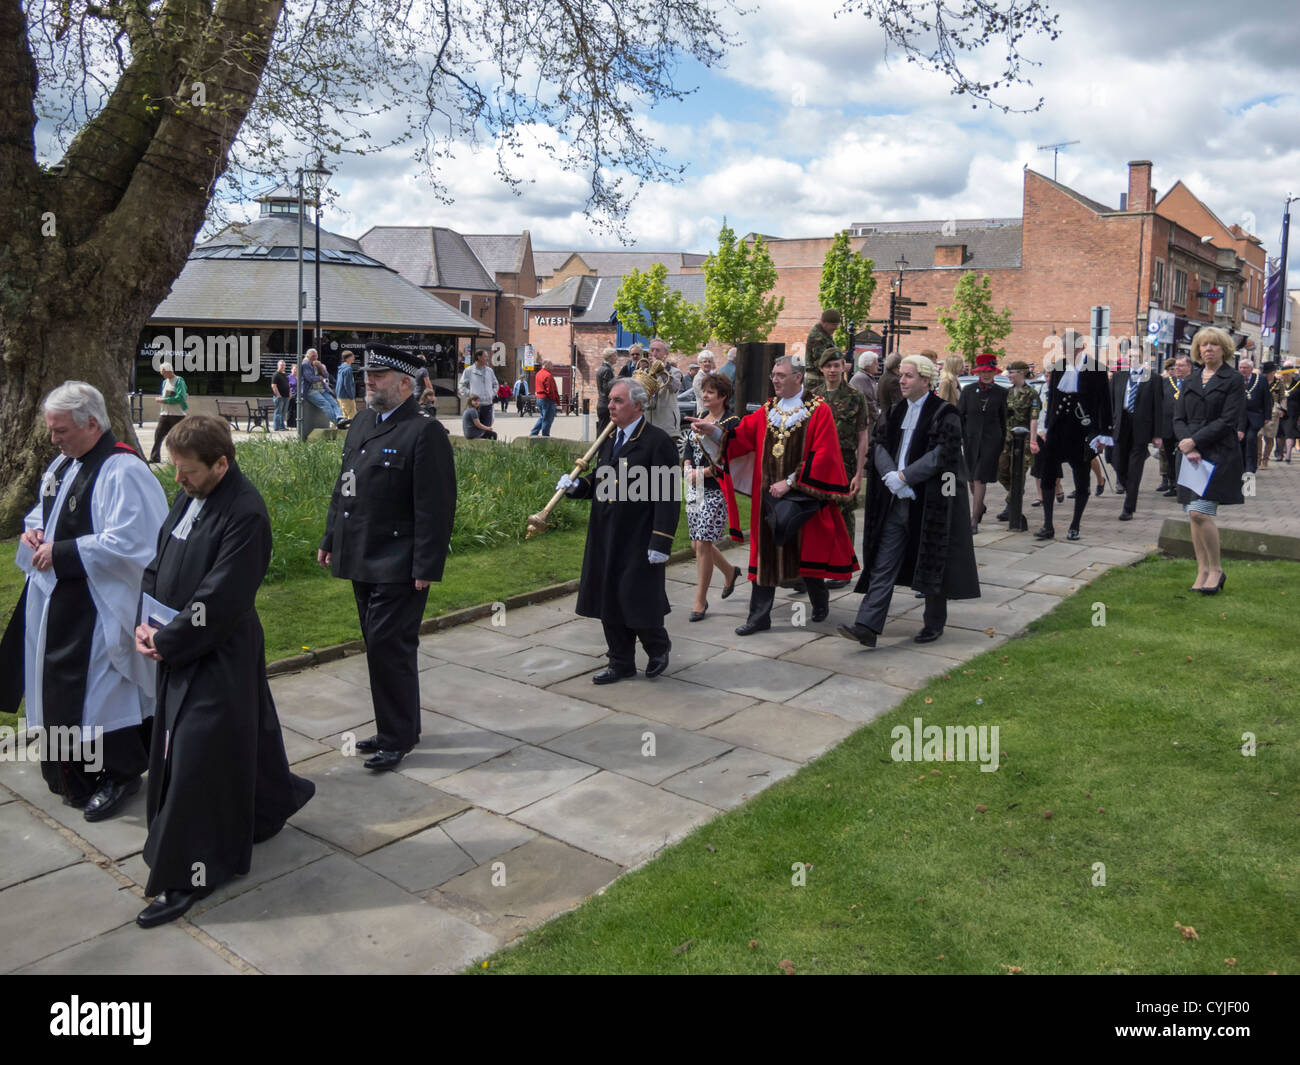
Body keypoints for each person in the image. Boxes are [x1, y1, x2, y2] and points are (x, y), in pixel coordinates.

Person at [133, 415, 314, 927]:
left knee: (195, 757)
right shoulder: (190, 495)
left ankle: (188, 872)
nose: (178, 480)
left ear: (221, 463)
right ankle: (268, 805)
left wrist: (167, 641)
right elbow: (159, 559)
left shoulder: (245, 514)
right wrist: (145, 622)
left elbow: (222, 596)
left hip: (217, 651)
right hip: (175, 642)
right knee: (240, 734)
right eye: (175, 469)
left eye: (187, 471)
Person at [4, 382, 168, 817]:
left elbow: (136, 541)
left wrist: (61, 552)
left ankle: (120, 774)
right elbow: (45, 511)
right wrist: (33, 530)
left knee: (101, 696)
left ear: (92, 423)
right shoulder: (64, 464)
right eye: (52, 431)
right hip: (60, 601)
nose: (53, 440)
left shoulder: (124, 470)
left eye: (61, 431)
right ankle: (72, 775)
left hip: (100, 605)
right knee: (60, 691)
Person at [319, 344, 457, 769]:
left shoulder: (423, 431)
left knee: (389, 646)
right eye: (368, 374)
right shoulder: (362, 421)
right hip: (362, 553)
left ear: (404, 384)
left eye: (377, 375)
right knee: (377, 644)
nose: (368, 380)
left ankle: (396, 737)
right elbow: (345, 486)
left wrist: (426, 566)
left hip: (399, 561)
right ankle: (394, 726)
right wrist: (330, 537)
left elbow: (436, 507)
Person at [688, 356, 857, 635]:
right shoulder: (768, 410)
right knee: (764, 554)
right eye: (773, 375)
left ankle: (819, 600)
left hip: (801, 496)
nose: (775, 380)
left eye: (780, 375)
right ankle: (759, 617)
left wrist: (791, 482)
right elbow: (740, 437)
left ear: (798, 377)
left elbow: (824, 453)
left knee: (804, 552)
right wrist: (715, 432)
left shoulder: (818, 410)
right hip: (767, 496)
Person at [838, 354, 979, 648]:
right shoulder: (894, 411)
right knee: (883, 562)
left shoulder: (944, 412)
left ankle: (933, 623)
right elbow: (878, 444)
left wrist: (906, 478)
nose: (901, 381)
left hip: (928, 502)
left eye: (909, 376)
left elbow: (943, 453)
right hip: (895, 501)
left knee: (932, 559)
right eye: (902, 375)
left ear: (925, 380)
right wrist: (890, 475)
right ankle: (867, 625)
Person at [558, 378, 678, 683]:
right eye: (610, 400)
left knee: (634, 596)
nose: (610, 405)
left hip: (638, 534)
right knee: (608, 596)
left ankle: (657, 645)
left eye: (618, 401)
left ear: (638, 405)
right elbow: (604, 478)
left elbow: (667, 495)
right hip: (606, 530)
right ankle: (620, 661)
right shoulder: (610, 438)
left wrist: (661, 540)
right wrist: (578, 486)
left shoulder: (656, 441)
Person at [1175, 328, 1246, 594]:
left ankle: (1216, 569)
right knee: (1192, 515)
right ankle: (1202, 570)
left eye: (1214, 345)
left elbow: (1228, 420)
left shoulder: (1234, 379)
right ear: (1197, 350)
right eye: (1204, 345)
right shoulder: (1191, 380)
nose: (1208, 349)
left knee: (1199, 512)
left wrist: (1196, 442)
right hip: (1191, 455)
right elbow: (1178, 418)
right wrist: (1185, 443)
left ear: (1224, 349)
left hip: (1218, 453)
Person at [1034, 331, 1112, 541]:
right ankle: (1048, 524)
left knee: (1081, 479)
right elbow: (1052, 399)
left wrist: (1104, 435)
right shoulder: (1059, 366)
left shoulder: (1096, 368)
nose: (1068, 352)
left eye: (1072, 348)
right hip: (1058, 429)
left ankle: (1075, 525)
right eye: (1065, 348)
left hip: (1082, 431)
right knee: (1048, 475)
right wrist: (1046, 426)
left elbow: (1105, 403)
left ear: (1081, 347)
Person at [682, 373, 742, 620]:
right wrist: (687, 469)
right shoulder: (701, 418)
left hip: (717, 489)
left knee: (704, 543)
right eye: (703, 391)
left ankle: (700, 600)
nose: (705, 396)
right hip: (694, 487)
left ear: (723, 396)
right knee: (697, 543)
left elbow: (733, 458)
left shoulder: (731, 421)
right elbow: (687, 449)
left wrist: (704, 472)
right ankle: (729, 572)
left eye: (710, 392)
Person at [814, 350, 870, 554]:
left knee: (844, 513)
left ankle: (844, 565)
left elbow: (863, 435)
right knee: (819, 511)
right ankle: (820, 563)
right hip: (818, 462)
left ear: (844, 367)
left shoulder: (855, 396)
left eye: (836, 365)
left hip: (844, 462)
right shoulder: (814, 397)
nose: (832, 370)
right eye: (828, 366)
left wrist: (859, 473)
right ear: (821, 368)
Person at [1108, 347, 1163, 520]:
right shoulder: (1118, 376)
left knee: (1135, 469)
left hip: (1141, 427)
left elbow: (1158, 408)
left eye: (1136, 356)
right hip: (1121, 425)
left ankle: (1128, 508)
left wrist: (1157, 434)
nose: (1132, 359)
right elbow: (1110, 403)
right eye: (1129, 356)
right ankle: (1125, 483)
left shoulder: (1153, 378)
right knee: (1117, 462)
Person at [958, 353, 1007, 533]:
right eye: (983, 371)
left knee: (980, 477)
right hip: (970, 440)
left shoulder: (1002, 392)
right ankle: (980, 506)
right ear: (978, 372)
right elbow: (960, 415)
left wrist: (1002, 441)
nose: (986, 375)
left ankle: (974, 520)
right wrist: (961, 437)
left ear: (994, 372)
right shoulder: (968, 390)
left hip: (991, 441)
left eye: (990, 371)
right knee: (971, 478)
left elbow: (1003, 420)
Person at [996, 360, 1041, 520]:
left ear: (1021, 373)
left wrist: (1034, 441)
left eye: (1012, 373)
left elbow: (1034, 418)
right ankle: (1014, 494)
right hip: (1006, 439)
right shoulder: (1007, 392)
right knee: (1001, 470)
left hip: (1024, 441)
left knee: (1018, 473)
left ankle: (1012, 507)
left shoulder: (1032, 393)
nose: (1009, 375)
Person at [149, 361, 188, 463]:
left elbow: (180, 397)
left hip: (177, 414)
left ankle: (181, 458)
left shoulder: (179, 381)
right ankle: (154, 457)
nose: (163, 375)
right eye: (162, 373)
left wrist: (164, 400)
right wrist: (162, 398)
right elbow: (165, 395)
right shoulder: (164, 382)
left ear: (169, 370)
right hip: (165, 413)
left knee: (179, 438)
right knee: (158, 435)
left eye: (164, 372)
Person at [301, 349, 347, 427]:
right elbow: (310, 378)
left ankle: (340, 418)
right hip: (311, 390)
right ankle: (338, 423)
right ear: (308, 356)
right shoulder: (305, 364)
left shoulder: (318, 363)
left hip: (322, 388)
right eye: (313, 356)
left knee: (334, 402)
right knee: (326, 404)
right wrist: (320, 378)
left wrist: (320, 367)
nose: (315, 358)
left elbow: (326, 375)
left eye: (316, 355)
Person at [459, 348, 499, 433]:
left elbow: (496, 384)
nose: (487, 358)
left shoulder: (490, 371)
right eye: (485, 356)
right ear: (479, 357)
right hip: (475, 407)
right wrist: (471, 395)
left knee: (487, 430)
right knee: (476, 431)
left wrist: (492, 393)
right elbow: (462, 386)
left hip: (487, 405)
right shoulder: (469, 371)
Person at [802, 308, 841, 392]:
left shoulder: (824, 334)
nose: (834, 330)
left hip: (820, 380)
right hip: (816, 381)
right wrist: (840, 364)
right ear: (824, 323)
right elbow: (821, 362)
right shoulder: (818, 338)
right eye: (832, 327)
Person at [849, 352, 880, 428]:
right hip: (863, 422)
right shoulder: (861, 378)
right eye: (875, 364)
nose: (878, 366)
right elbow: (868, 401)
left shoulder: (865, 377)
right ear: (868, 365)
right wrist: (877, 416)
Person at [1258, 362, 1280, 469]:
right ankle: (1258, 459)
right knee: (1258, 435)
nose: (1266, 375)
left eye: (1269, 373)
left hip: (1273, 411)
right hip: (1259, 410)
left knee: (1269, 437)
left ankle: (1265, 460)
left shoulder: (1279, 382)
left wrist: (1282, 410)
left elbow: (1282, 398)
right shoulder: (1259, 380)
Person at [530, 359, 560, 436]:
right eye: (551, 365)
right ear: (546, 365)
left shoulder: (538, 374)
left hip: (540, 398)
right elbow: (550, 390)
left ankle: (534, 433)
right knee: (548, 419)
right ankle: (545, 436)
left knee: (543, 417)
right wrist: (554, 400)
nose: (552, 367)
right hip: (547, 399)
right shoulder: (548, 375)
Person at [595, 346, 619, 435]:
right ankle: (599, 449)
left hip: (602, 404)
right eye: (615, 356)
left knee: (602, 429)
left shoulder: (602, 369)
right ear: (610, 357)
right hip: (606, 405)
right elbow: (607, 389)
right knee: (604, 432)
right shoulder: (607, 370)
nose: (617, 358)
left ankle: (599, 448)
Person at [335, 350, 358, 420]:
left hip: (340, 396)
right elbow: (347, 384)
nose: (354, 357)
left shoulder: (341, 368)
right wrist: (352, 396)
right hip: (347, 396)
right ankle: (351, 431)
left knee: (344, 416)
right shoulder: (348, 369)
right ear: (347, 358)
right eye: (352, 356)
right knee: (352, 416)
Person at [271, 359, 290, 431]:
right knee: (278, 412)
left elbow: (288, 385)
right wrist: (278, 395)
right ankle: (277, 427)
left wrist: (290, 393)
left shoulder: (284, 374)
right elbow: (273, 386)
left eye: (284, 365)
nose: (283, 366)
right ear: (278, 366)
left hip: (286, 397)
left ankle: (282, 426)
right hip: (279, 397)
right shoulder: (276, 375)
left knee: (283, 413)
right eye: (281, 365)